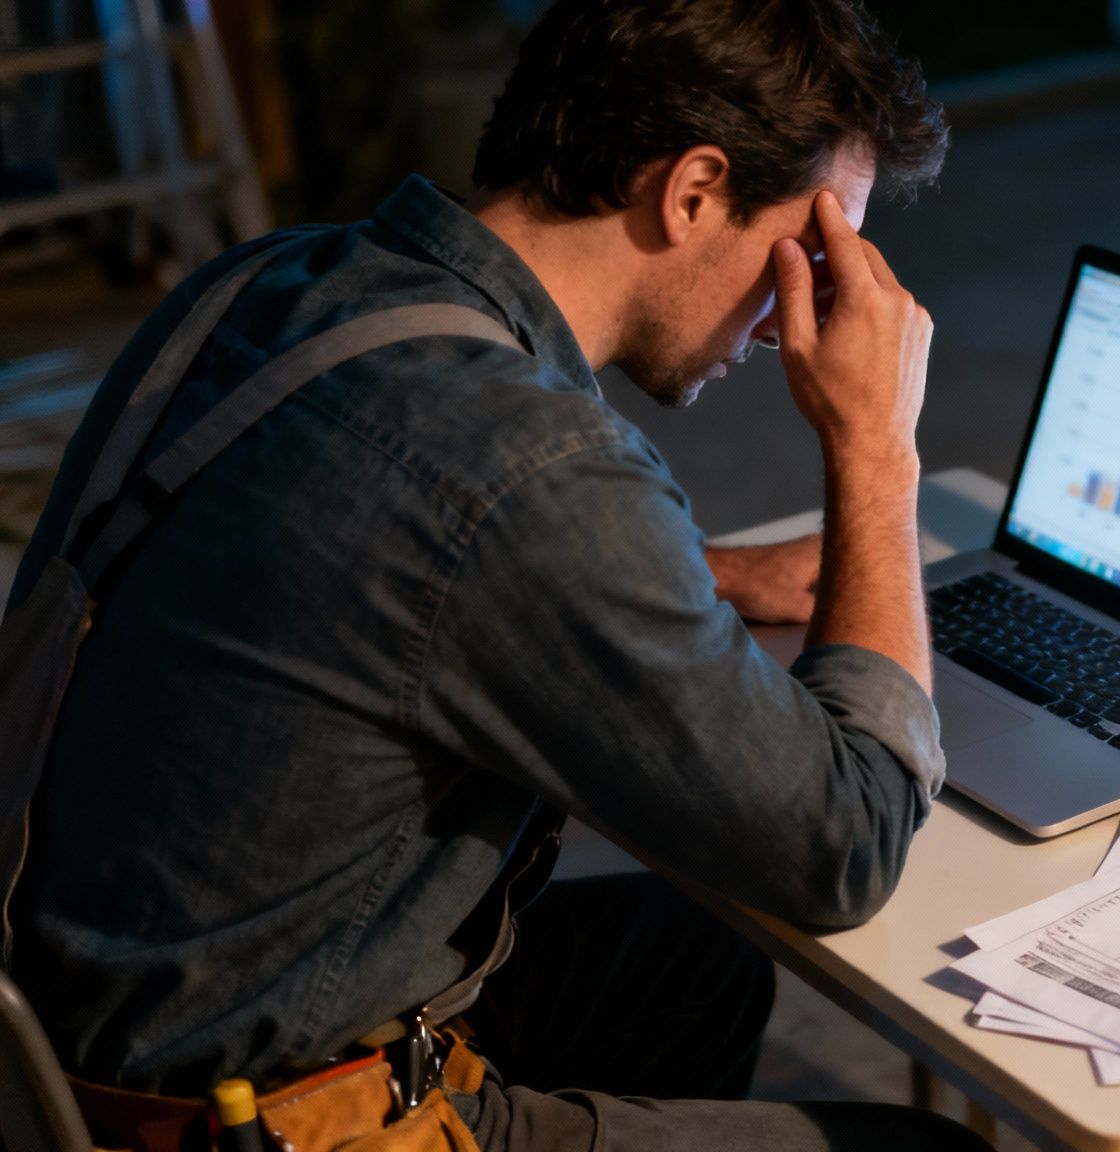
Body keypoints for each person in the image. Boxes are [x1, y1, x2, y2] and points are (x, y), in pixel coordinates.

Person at [5, 0, 986, 1148]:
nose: (795, 321)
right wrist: (876, 450)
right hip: (242, 1118)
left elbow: (348, 554)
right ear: (693, 193)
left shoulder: (271, 284)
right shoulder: (530, 466)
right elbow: (843, 845)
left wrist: (699, 577)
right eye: (811, 256)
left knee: (684, 959)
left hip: (56, 1043)